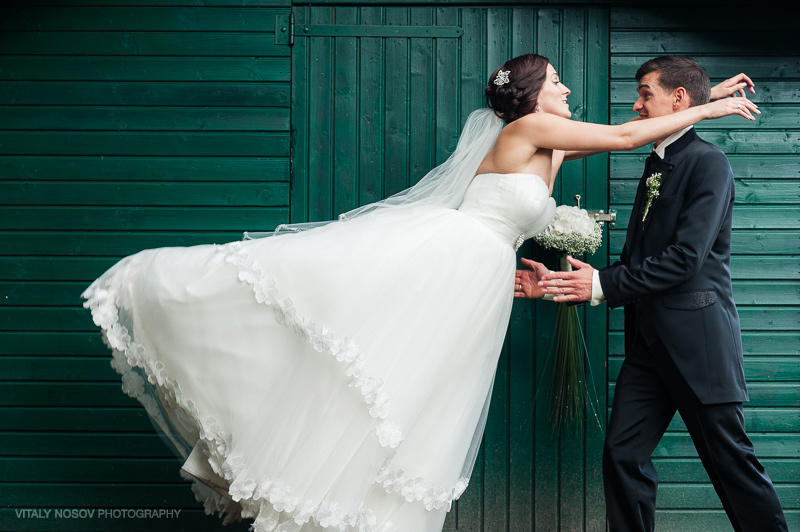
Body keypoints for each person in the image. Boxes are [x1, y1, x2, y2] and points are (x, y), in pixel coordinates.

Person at [82, 53, 757, 532]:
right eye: (558, 82)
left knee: (413, 387)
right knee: (378, 363)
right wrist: (720, 104)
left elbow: (627, 131)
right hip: (453, 259)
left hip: (479, 275)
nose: (568, 90)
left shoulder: (548, 142)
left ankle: (355, 498)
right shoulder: (529, 130)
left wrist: (696, 102)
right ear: (532, 95)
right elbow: (624, 134)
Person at [518, 56, 787, 531]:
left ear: (677, 99)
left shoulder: (708, 162)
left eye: (645, 93)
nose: (636, 104)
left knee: (732, 464)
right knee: (623, 456)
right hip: (649, 347)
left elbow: (687, 258)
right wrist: (568, 284)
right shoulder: (657, 161)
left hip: (698, 344)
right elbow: (642, 258)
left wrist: (601, 284)